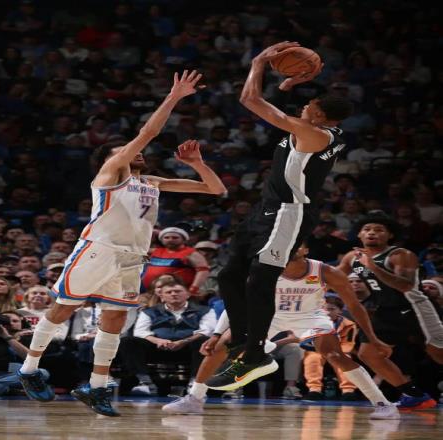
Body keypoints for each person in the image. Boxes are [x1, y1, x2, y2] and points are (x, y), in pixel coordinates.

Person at [17, 70, 226, 417]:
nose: (138, 153)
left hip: (132, 257)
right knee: (64, 308)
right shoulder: (110, 174)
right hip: (98, 250)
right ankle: (29, 369)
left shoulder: (152, 181)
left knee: (114, 320)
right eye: (128, 150)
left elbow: (216, 189)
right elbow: (148, 133)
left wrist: (197, 164)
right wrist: (174, 96)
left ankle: (97, 387)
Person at [212, 41, 354, 390]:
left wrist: (259, 62)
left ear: (318, 116)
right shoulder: (315, 129)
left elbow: (250, 100)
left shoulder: (313, 134)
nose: (305, 106)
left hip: (288, 213)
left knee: (259, 282)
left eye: (310, 105)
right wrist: (288, 85)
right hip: (266, 210)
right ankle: (241, 345)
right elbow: (286, 114)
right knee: (229, 275)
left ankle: (255, 355)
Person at [166, 244, 399, 419]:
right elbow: (238, 305)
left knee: (334, 355)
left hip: (310, 316)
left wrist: (373, 338)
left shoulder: (325, 271)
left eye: (297, 244)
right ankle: (195, 398)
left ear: (305, 249)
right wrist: (217, 334)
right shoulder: (262, 271)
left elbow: (355, 306)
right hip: (271, 316)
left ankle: (383, 404)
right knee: (219, 347)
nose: (290, 247)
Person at [338, 215, 443, 409]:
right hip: (387, 311)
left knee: (437, 353)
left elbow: (405, 285)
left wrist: (372, 267)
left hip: (415, 308)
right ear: (359, 234)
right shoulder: (353, 258)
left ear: (390, 235)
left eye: (379, 230)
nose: (372, 233)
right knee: (368, 353)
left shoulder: (401, 255)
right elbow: (333, 276)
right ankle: (414, 395)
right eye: (367, 229)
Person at [118, 280, 216, 396]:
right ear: (162, 296)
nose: (173, 294)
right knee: (128, 341)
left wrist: (183, 341)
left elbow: (207, 331)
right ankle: (144, 382)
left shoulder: (205, 310)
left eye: (178, 291)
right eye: (169, 292)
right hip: (158, 347)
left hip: (189, 348)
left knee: (203, 341)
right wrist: (158, 341)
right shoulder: (149, 311)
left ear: (188, 294)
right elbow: (140, 332)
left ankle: (195, 384)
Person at [141, 227, 210, 294]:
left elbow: (203, 271)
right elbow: (137, 252)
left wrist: (193, 289)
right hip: (149, 292)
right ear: (161, 240)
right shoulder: (155, 251)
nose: (170, 240)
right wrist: (150, 234)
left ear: (184, 240)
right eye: (166, 237)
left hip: (175, 293)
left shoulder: (191, 253)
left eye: (175, 238)